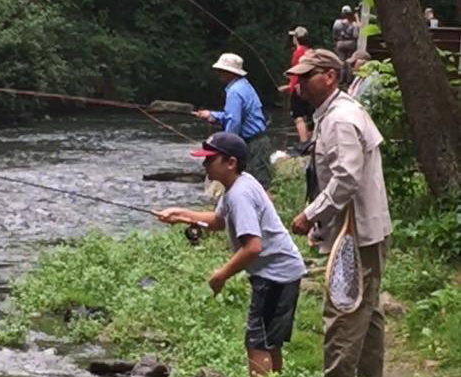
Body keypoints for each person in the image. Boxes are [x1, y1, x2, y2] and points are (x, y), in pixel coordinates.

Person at [155, 131, 306, 377]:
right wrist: (180, 215)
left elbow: (253, 246)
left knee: (257, 341)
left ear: (230, 163)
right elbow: (216, 221)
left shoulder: (240, 195)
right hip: (282, 272)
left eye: (209, 159)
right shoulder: (238, 184)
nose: (204, 164)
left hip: (276, 276)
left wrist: (221, 274)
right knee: (269, 339)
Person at [285, 49, 392, 377]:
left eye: (307, 76)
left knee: (343, 317)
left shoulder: (341, 118)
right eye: (298, 76)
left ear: (330, 76)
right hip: (362, 229)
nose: (299, 83)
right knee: (367, 313)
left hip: (356, 234)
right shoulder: (334, 113)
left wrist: (311, 214)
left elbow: (346, 177)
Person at [192, 53, 273, 190]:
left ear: (231, 72)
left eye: (222, 70)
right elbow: (233, 115)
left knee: (258, 186)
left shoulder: (234, 92)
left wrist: (224, 148)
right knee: (255, 184)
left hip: (253, 145)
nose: (219, 73)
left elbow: (234, 122)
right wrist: (212, 115)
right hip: (258, 141)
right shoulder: (244, 85)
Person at [277, 26, 314, 154]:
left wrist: (290, 86)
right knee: (309, 117)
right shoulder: (310, 51)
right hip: (308, 88)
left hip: (298, 89)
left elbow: (297, 73)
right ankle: (310, 144)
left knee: (298, 117)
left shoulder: (298, 53)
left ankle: (304, 144)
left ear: (296, 38)